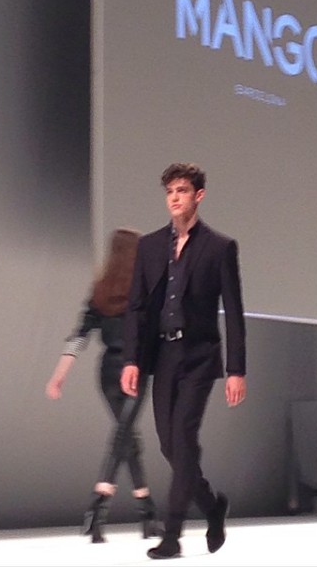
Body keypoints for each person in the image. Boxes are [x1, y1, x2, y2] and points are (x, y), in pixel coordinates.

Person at [120, 162, 246, 560]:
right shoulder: (150, 246)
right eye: (170, 192)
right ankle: (211, 506)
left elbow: (234, 311)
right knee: (169, 446)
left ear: (198, 196)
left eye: (182, 190)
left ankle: (172, 534)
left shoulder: (220, 247)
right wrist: (131, 359)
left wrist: (236, 369)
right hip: (164, 356)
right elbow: (137, 307)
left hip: (199, 357)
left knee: (185, 439)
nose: (174, 198)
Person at [46, 228, 163, 544]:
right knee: (124, 436)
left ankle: (146, 513)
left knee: (127, 437)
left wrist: (59, 375)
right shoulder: (146, 290)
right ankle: (97, 508)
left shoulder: (101, 291)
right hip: (135, 370)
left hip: (107, 371)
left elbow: (79, 336)